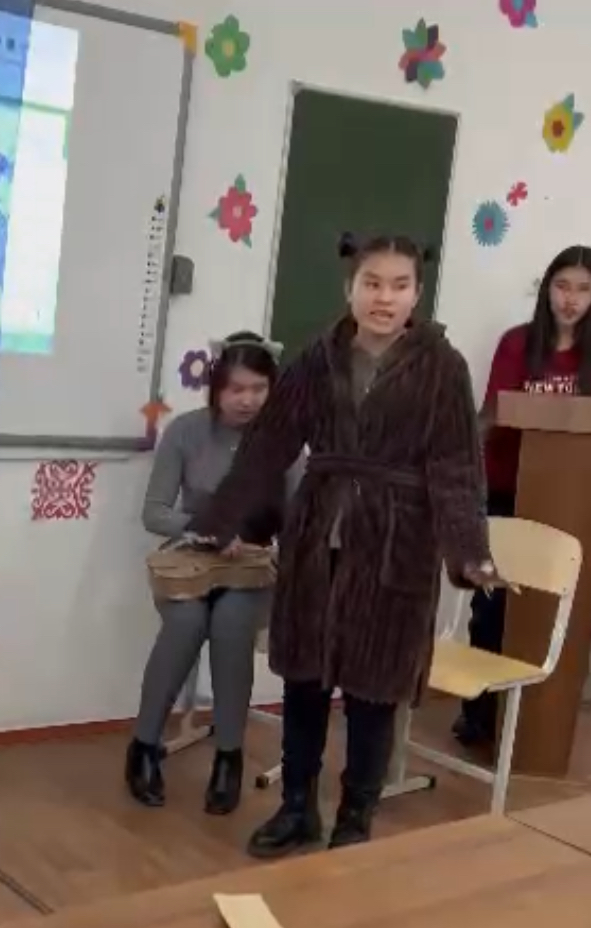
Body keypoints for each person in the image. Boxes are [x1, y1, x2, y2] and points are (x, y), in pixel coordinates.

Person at [191, 234, 501, 856]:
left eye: (399, 285)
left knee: (373, 689)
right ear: (350, 289)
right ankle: (296, 809)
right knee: (304, 681)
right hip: (317, 536)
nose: (385, 298)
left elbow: (456, 467)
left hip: (396, 543)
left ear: (416, 294)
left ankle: (356, 819)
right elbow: (270, 443)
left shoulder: (443, 367)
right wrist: (221, 520)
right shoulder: (318, 357)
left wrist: (470, 551)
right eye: (372, 283)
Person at [453, 245, 591, 748]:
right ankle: (479, 715)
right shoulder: (517, 343)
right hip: (505, 487)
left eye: (583, 289)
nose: (571, 299)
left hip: (564, 498)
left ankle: (530, 724)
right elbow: (495, 413)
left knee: (545, 613)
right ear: (547, 288)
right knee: (493, 608)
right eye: (563, 286)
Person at [126, 332, 278, 815]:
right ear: (216, 389)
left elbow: (301, 518)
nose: (248, 400)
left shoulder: (284, 440)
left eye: (258, 389)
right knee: (187, 621)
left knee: (232, 623)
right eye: (236, 389)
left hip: (252, 566)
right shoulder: (186, 431)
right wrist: (207, 528)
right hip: (190, 560)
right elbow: (154, 512)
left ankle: (229, 756)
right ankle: (144, 745)